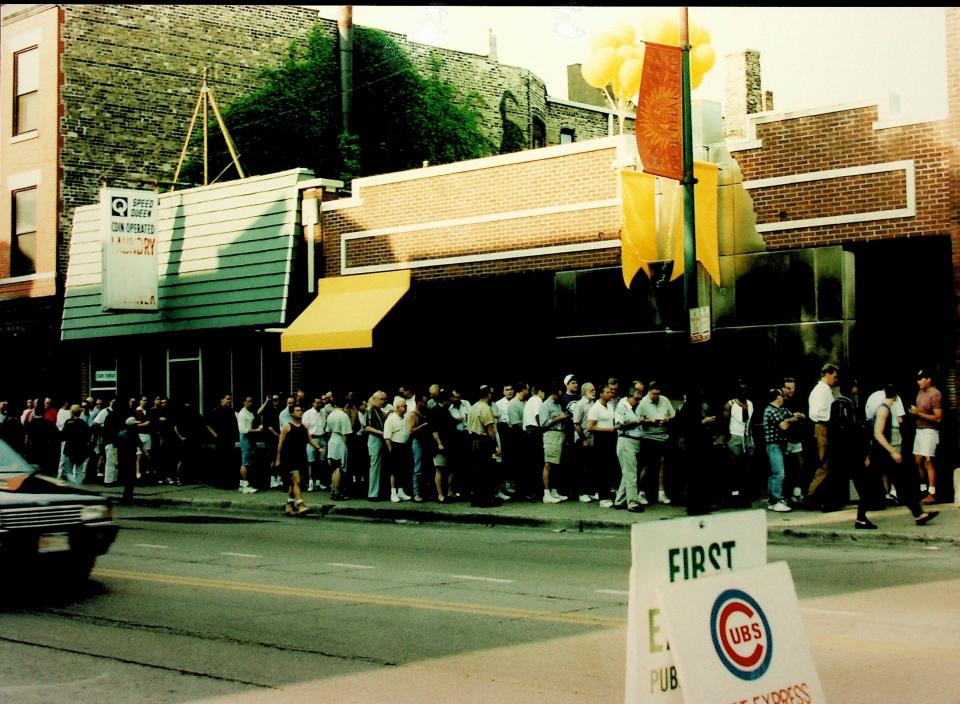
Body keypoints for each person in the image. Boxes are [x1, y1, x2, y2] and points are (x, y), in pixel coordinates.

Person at [856, 384, 938, 529]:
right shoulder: (884, 410)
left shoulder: (884, 408)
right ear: (895, 396)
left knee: (901, 483)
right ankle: (861, 518)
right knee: (879, 486)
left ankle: (918, 513)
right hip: (882, 454)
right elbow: (878, 433)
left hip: (881, 453)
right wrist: (893, 451)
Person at [276, 404, 320, 516]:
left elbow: (310, 440)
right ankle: (301, 505)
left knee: (295, 482)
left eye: (301, 410)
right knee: (296, 480)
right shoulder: (287, 427)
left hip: (301, 457)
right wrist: (278, 458)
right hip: (289, 458)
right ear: (292, 413)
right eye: (297, 410)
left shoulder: (303, 427)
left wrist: (319, 449)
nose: (300, 412)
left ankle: (288, 506)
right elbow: (280, 443)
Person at [763, 388, 803, 512]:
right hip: (774, 445)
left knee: (775, 473)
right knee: (779, 473)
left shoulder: (780, 410)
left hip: (780, 445)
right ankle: (776, 500)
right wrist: (790, 419)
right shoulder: (770, 410)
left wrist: (791, 418)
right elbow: (784, 426)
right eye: (781, 396)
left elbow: (798, 416)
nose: (783, 398)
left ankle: (772, 500)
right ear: (777, 398)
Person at [805, 363, 839, 510]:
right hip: (822, 427)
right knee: (825, 463)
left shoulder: (825, 390)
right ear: (827, 374)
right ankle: (812, 495)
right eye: (835, 376)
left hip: (825, 427)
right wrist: (831, 418)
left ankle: (819, 497)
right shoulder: (820, 391)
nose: (836, 379)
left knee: (827, 463)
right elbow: (817, 412)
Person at [637, 381, 675, 505]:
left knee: (662, 465)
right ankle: (640, 492)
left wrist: (667, 419)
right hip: (648, 437)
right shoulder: (643, 402)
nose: (656, 396)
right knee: (647, 466)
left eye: (658, 394)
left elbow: (673, 415)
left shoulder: (664, 400)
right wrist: (650, 421)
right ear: (649, 391)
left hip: (663, 436)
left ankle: (661, 493)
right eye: (654, 394)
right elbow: (637, 420)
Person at [909, 369, 943, 505]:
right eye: (918, 379)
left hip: (930, 431)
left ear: (929, 379)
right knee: (917, 461)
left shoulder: (935, 394)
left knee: (928, 461)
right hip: (919, 430)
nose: (919, 381)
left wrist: (919, 414)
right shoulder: (920, 392)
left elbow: (938, 418)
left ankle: (932, 493)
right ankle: (923, 490)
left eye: (921, 379)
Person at [613, 380, 646, 512]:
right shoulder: (622, 405)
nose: (640, 394)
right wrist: (637, 421)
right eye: (638, 391)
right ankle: (632, 503)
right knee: (631, 473)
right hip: (626, 440)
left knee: (627, 472)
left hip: (634, 441)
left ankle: (619, 500)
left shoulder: (635, 407)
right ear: (631, 394)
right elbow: (619, 425)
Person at [467, 385, 501, 507]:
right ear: (488, 395)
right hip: (483, 441)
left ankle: (475, 498)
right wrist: (495, 445)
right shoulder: (485, 408)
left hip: (473, 440)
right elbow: (490, 428)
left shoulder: (473, 407)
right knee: (486, 471)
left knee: (476, 471)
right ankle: (486, 499)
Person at [723, 379, 755, 506]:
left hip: (747, 438)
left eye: (745, 389)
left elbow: (750, 422)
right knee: (734, 468)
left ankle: (743, 494)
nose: (744, 392)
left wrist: (751, 439)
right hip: (735, 437)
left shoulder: (750, 404)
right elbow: (724, 423)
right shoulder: (730, 404)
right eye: (741, 389)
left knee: (746, 468)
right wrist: (728, 440)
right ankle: (733, 495)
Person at [587, 384, 619, 508]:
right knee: (602, 469)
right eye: (607, 392)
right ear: (601, 394)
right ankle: (603, 497)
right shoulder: (595, 408)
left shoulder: (610, 406)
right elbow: (590, 427)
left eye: (610, 392)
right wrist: (608, 430)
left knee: (610, 468)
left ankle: (608, 493)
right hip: (600, 441)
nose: (610, 394)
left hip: (611, 440)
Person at [539, 382, 570, 504]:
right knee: (549, 464)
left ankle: (554, 491)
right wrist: (559, 418)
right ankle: (546, 493)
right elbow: (544, 423)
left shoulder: (558, 404)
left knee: (557, 465)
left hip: (560, 434)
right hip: (551, 435)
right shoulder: (545, 405)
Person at [781, 377, 809, 507]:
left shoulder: (797, 401)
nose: (791, 391)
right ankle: (785, 496)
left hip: (796, 438)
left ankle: (796, 492)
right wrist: (793, 418)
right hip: (783, 439)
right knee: (785, 468)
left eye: (793, 388)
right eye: (788, 388)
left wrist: (800, 417)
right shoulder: (779, 401)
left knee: (799, 465)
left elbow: (804, 416)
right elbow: (782, 421)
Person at [383, 397, 413, 503]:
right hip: (395, 446)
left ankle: (401, 491)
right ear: (397, 407)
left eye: (406, 405)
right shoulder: (390, 419)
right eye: (403, 406)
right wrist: (391, 450)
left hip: (404, 446)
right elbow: (387, 436)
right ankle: (393, 493)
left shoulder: (405, 417)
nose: (406, 407)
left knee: (403, 470)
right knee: (394, 471)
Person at [325, 395, 353, 501]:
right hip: (340, 441)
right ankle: (337, 492)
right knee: (339, 467)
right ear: (345, 404)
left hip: (332, 439)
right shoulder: (344, 416)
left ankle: (333, 490)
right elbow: (346, 434)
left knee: (333, 466)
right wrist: (346, 447)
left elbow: (328, 430)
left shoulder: (331, 415)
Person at [364, 391, 388, 500]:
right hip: (375, 439)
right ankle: (373, 493)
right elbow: (367, 427)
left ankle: (377, 491)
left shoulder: (379, 410)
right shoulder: (370, 410)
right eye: (381, 399)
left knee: (379, 465)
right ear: (375, 399)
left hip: (380, 439)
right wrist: (380, 432)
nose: (383, 401)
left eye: (384, 399)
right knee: (375, 465)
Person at [60, 404, 91, 485]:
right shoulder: (84, 424)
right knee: (79, 471)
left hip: (70, 449)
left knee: (67, 471)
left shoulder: (68, 423)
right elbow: (88, 437)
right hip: (81, 450)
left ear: (72, 412)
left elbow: (63, 436)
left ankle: (73, 484)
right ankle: (78, 485)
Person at [236, 396, 262, 494]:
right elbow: (243, 430)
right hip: (245, 439)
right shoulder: (242, 414)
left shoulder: (250, 413)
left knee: (249, 462)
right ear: (244, 402)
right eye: (248, 401)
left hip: (251, 439)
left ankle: (244, 484)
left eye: (251, 401)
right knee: (245, 462)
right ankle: (244, 485)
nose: (250, 403)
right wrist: (257, 430)